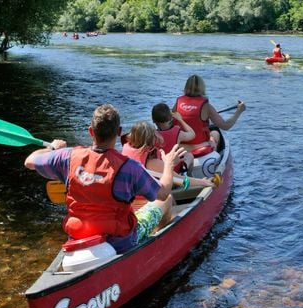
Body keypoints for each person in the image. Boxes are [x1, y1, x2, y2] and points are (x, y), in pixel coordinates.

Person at [24, 104, 185, 254]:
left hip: (79, 235)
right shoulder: (130, 168)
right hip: (120, 241)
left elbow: (30, 161)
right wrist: (169, 165)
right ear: (119, 132)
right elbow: (162, 192)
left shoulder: (67, 156)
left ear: (91, 131)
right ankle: (158, 251)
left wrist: (52, 147)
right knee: (167, 200)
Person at [121, 121, 215, 188]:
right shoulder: (152, 163)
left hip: (133, 191)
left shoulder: (126, 148)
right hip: (153, 195)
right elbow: (181, 180)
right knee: (170, 198)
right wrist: (203, 182)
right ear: (152, 139)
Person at [173, 74, 246, 153]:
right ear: (202, 88)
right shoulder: (207, 107)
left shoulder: (178, 103)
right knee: (215, 133)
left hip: (181, 146)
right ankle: (215, 157)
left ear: (186, 87)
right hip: (200, 147)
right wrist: (239, 111)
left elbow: (171, 123)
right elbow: (226, 126)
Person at [152, 102, 195, 174]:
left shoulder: (151, 134)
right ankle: (187, 176)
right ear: (170, 117)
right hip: (174, 169)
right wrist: (180, 119)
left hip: (159, 170)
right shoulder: (177, 133)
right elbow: (192, 134)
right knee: (189, 155)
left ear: (153, 120)